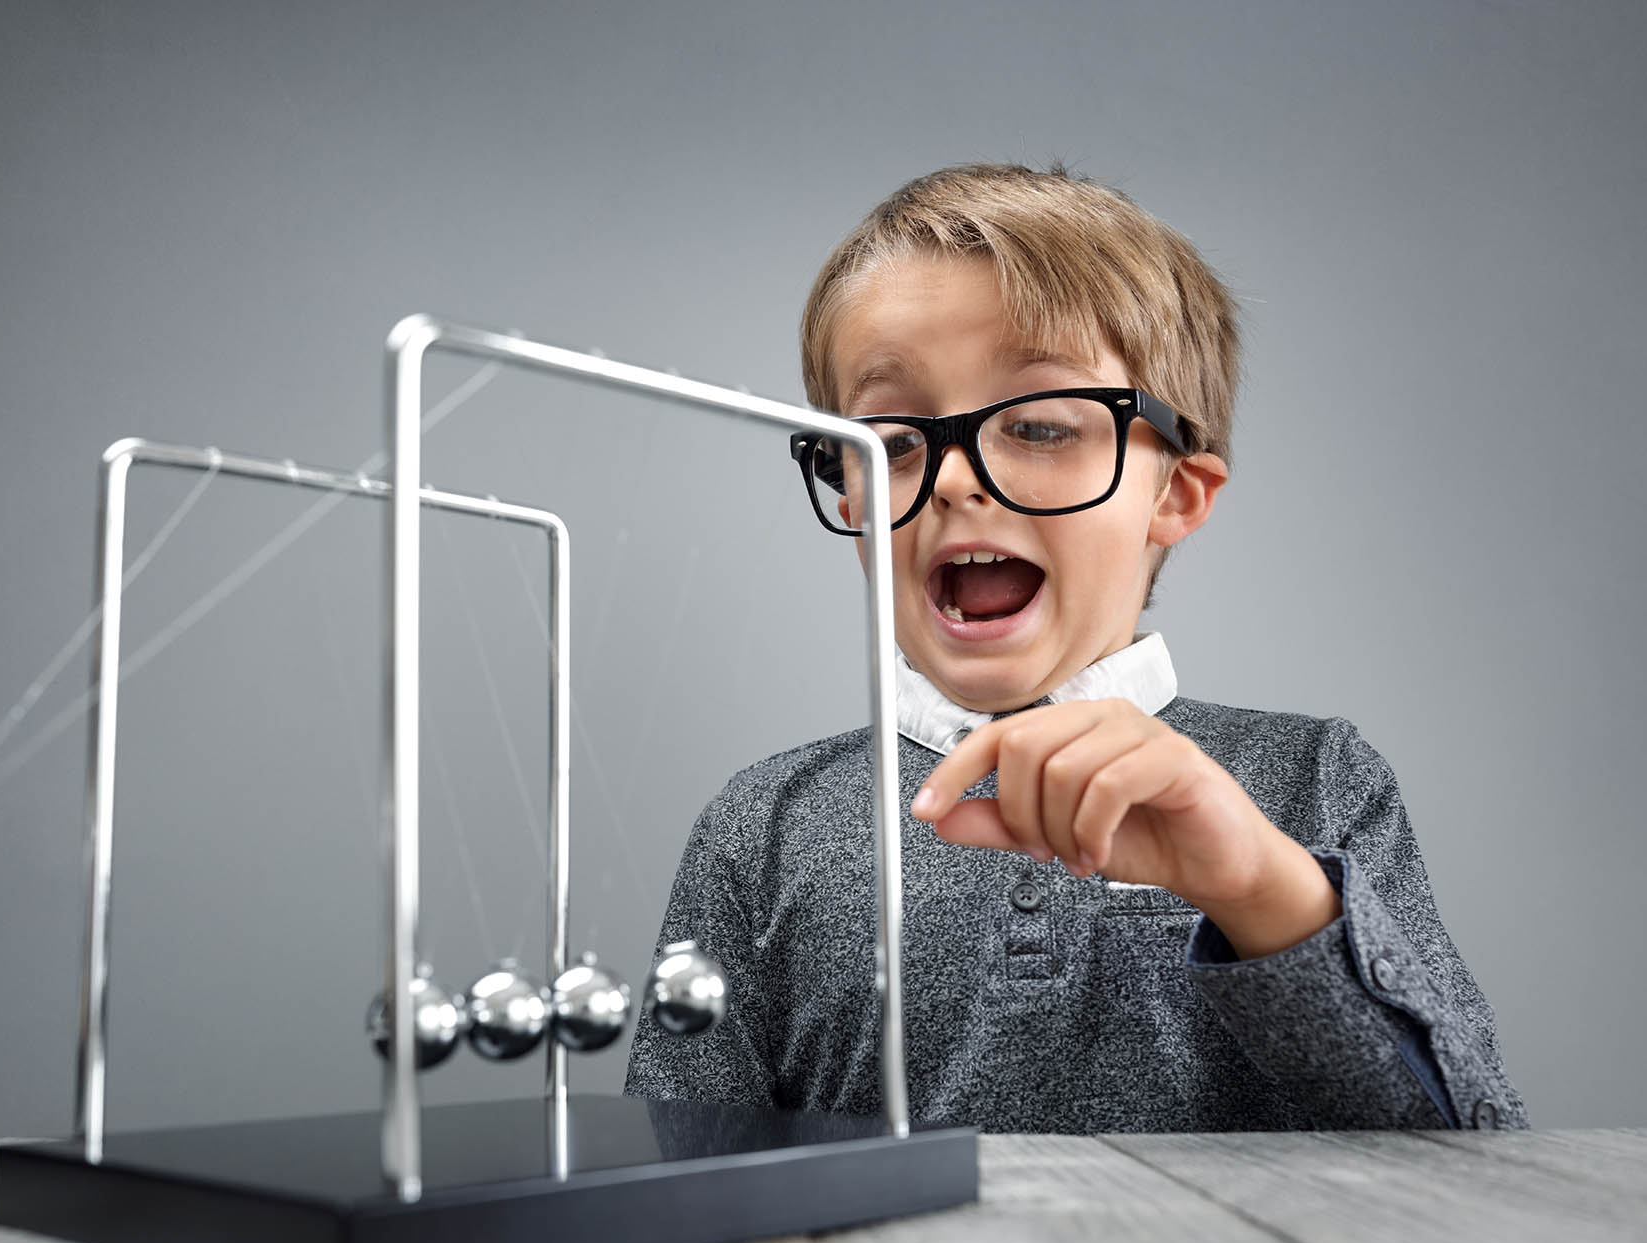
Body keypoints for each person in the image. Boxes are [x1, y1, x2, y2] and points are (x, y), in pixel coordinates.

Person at [623, 162, 1526, 1132]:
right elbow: (667, 1178)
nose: (958, 480)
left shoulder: (1316, 779)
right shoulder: (761, 824)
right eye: (891, 441)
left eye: (1043, 424)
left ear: (1176, 493)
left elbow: (1475, 1144)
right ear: (848, 496)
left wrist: (1260, 888)